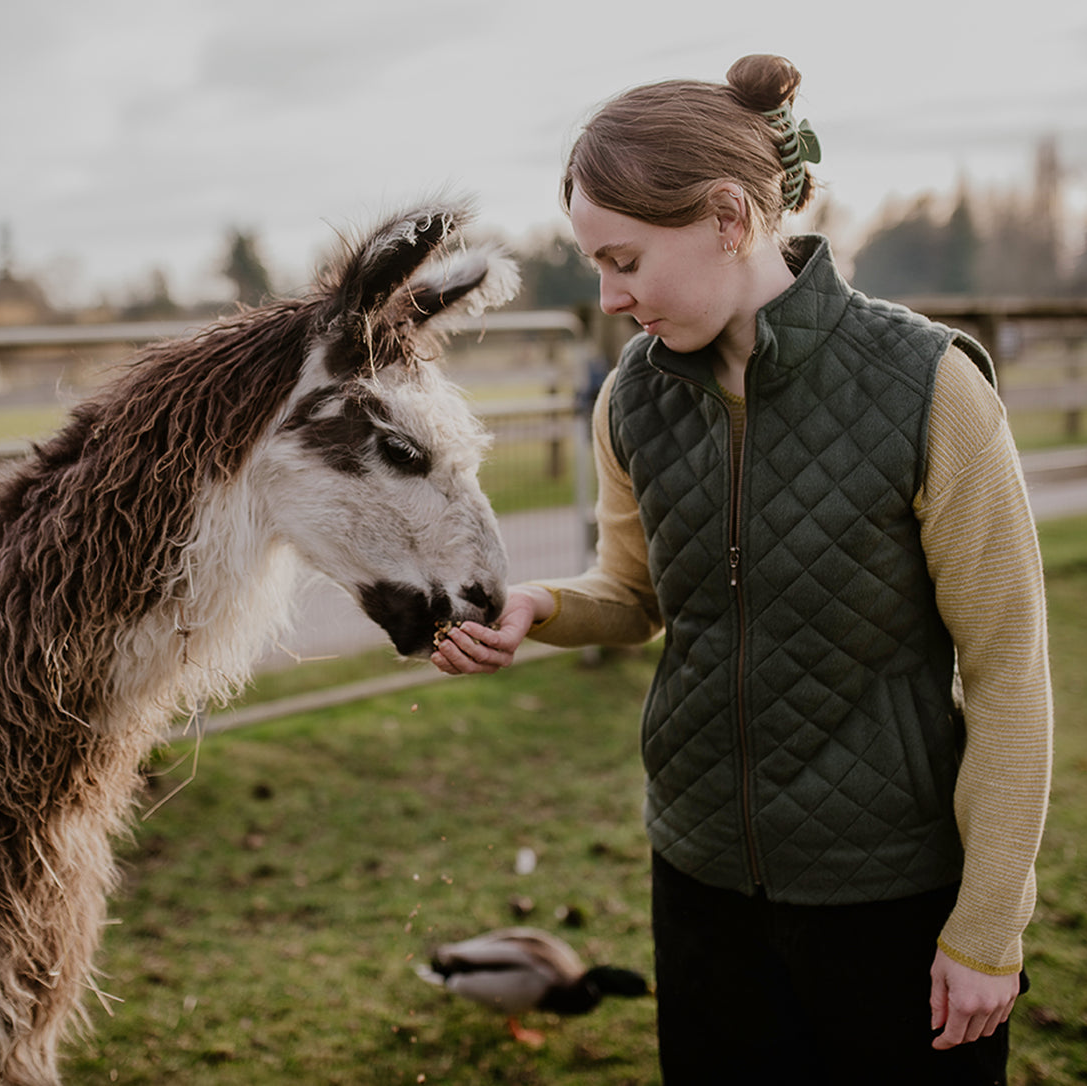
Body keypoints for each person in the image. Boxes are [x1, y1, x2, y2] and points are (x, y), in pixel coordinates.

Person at [431, 54, 1053, 1085]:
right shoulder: (629, 400)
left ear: (727, 215)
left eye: (623, 260)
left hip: (887, 894)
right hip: (698, 879)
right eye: (594, 266)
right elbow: (633, 597)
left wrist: (986, 929)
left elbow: (1008, 674)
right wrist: (538, 606)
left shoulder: (929, 387)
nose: (610, 298)